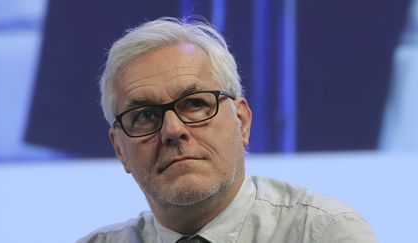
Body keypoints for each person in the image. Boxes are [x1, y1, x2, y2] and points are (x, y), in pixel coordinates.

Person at [77, 17, 376, 243]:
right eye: (144, 116)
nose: (173, 130)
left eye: (194, 103)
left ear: (242, 121)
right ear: (119, 149)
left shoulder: (322, 233)